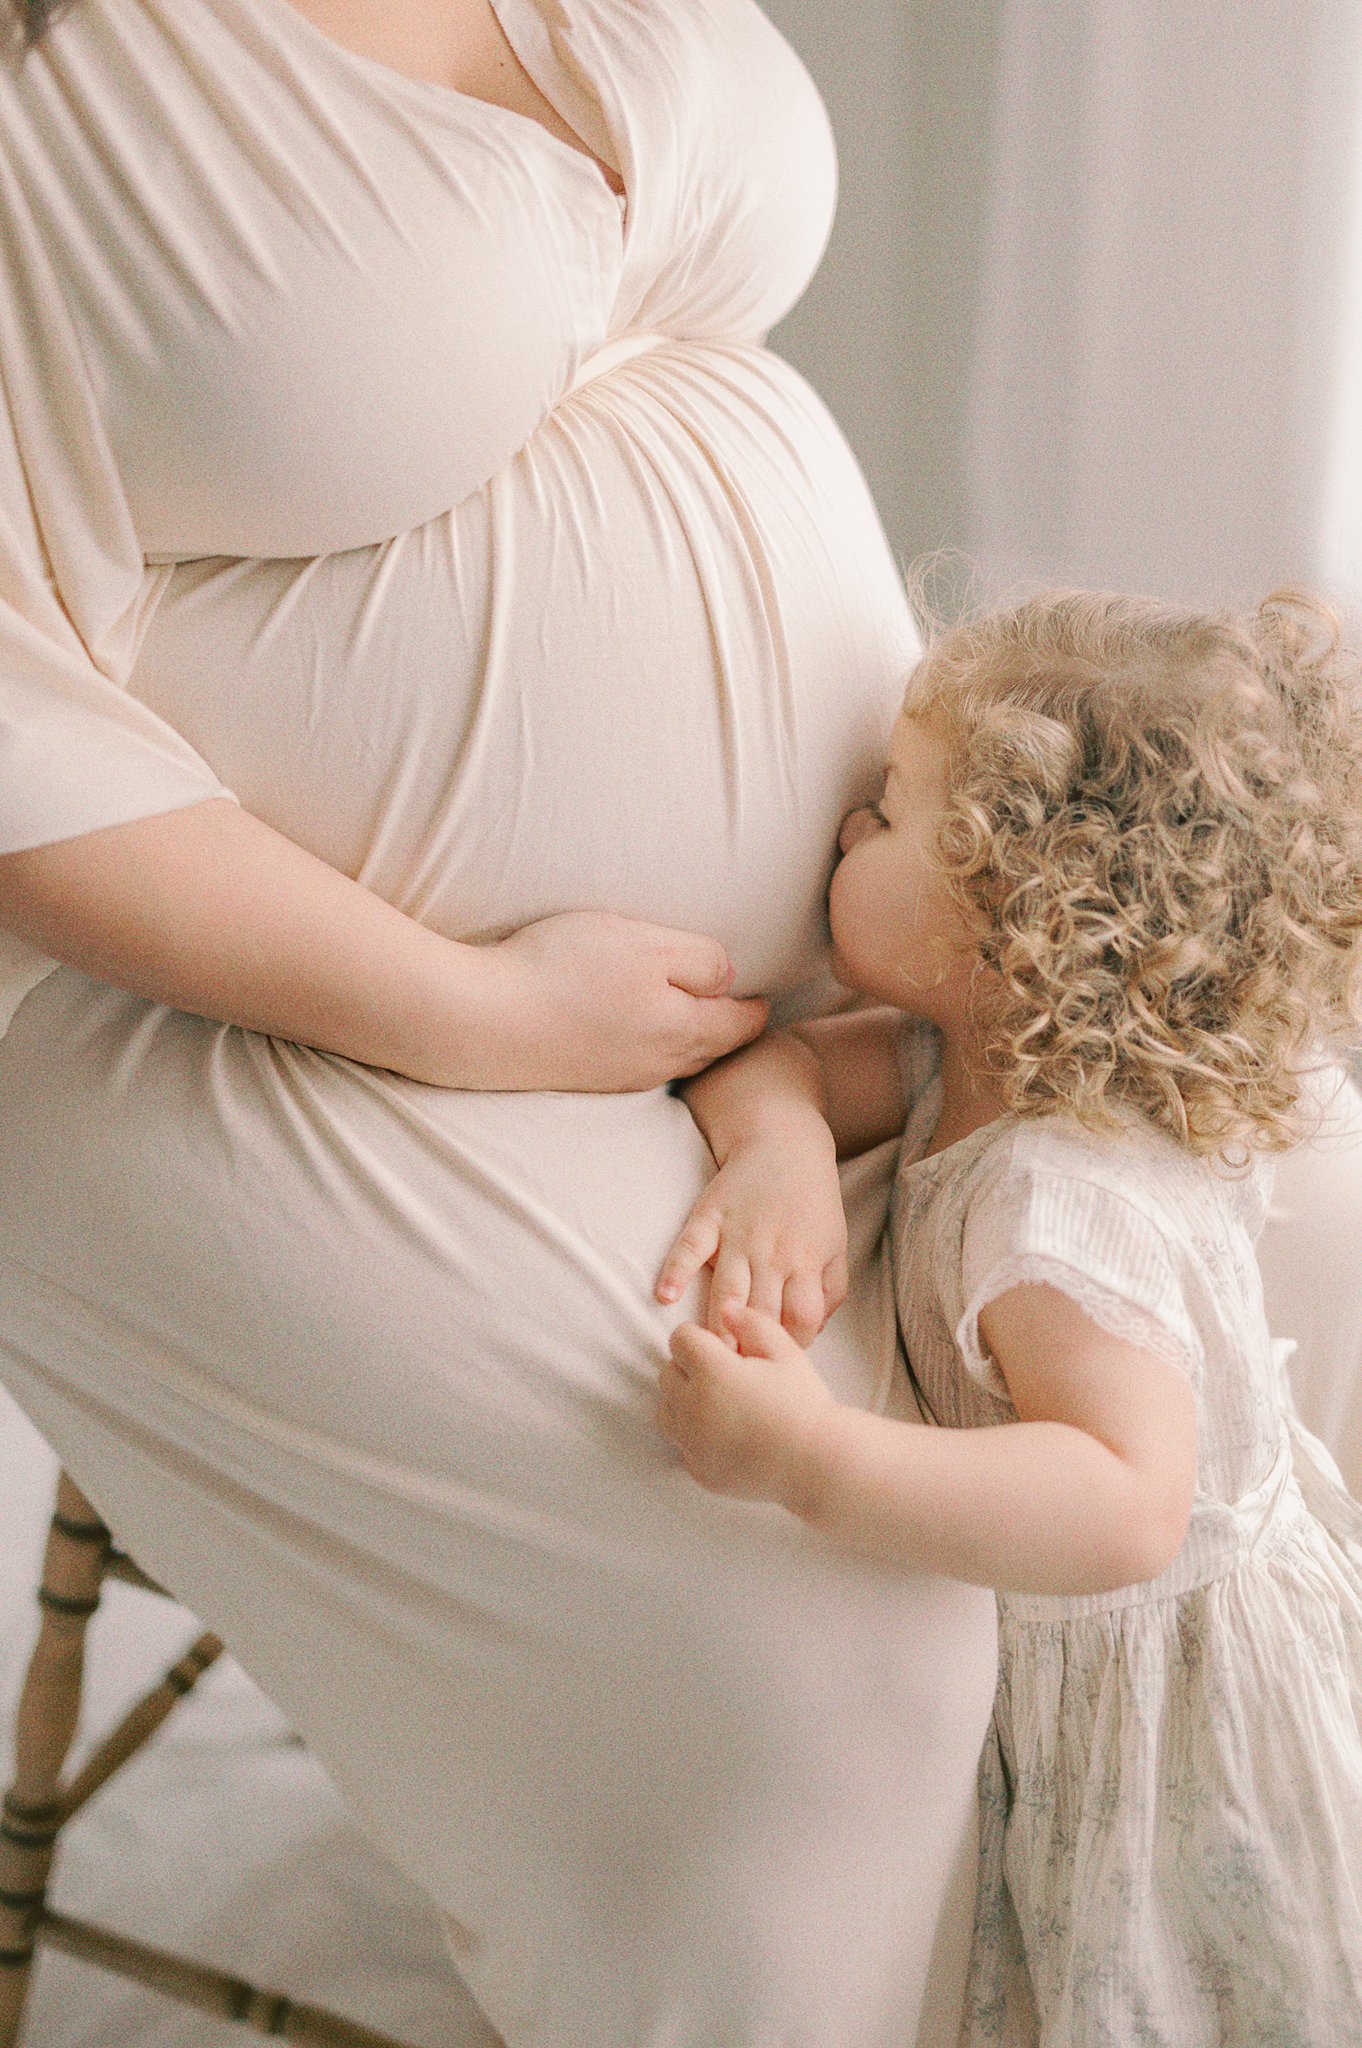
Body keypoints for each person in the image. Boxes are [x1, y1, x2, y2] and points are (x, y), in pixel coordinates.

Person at [0, 2, 1001, 2042]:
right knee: (810, 1659)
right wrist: (469, 1009)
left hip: (808, 987)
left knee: (1292, 1236)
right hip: (207, 1014)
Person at [655, 587, 1362, 2045]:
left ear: (1013, 908)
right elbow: (768, 1066)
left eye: (889, 816)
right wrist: (781, 1153)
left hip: (1177, 1730)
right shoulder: (964, 1061)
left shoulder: (1049, 1197)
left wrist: (804, 1459)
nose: (845, 833)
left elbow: (1120, 1501)